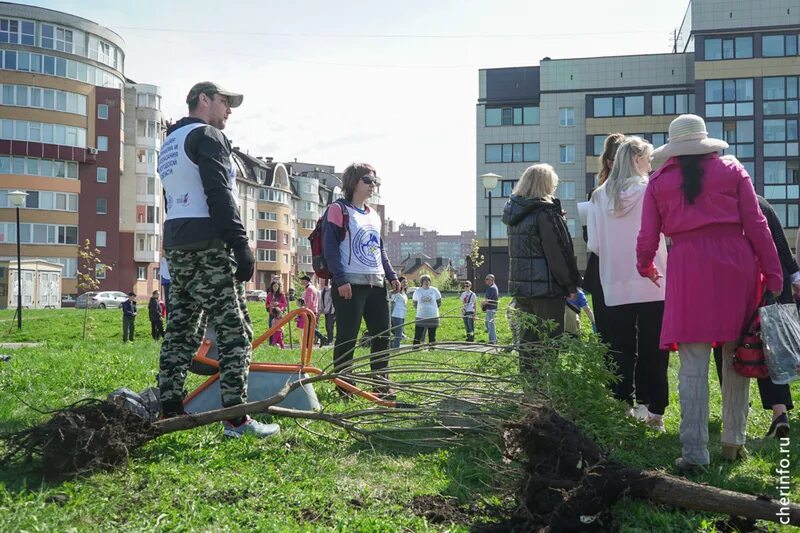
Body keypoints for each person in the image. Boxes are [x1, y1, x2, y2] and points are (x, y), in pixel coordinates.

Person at [636, 114, 782, 469]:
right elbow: (758, 224)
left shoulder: (658, 181)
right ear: (705, 142)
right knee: (739, 356)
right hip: (737, 265)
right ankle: (734, 441)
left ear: (674, 147)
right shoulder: (733, 171)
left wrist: (645, 265)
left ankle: (694, 452)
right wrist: (773, 272)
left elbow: (647, 235)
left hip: (689, 269)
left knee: (692, 365)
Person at [156, 81, 278, 439]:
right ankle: (236, 420)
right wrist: (240, 243)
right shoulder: (208, 135)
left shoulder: (170, 143)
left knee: (180, 330)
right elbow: (219, 191)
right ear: (204, 100)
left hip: (177, 245)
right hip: (210, 245)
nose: (229, 110)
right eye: (225, 102)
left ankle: (170, 410)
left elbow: (171, 197)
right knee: (235, 332)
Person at [587, 136, 670, 431]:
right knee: (654, 349)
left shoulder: (598, 196)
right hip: (653, 279)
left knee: (620, 348)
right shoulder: (651, 190)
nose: (650, 165)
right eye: (648, 159)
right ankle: (654, 412)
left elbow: (594, 245)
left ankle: (622, 404)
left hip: (614, 281)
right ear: (636, 159)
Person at [712, 184, 800, 439]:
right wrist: (793, 278)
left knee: (726, 347)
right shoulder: (761, 202)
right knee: (773, 353)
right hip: (773, 285)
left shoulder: (718, 208)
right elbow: (782, 248)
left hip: (734, 287)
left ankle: (736, 407)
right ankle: (779, 412)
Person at [322, 163, 400, 398]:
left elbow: (379, 248)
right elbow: (330, 247)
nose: (372, 185)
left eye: (375, 181)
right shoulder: (338, 209)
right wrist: (340, 279)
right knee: (347, 337)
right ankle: (345, 388)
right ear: (354, 182)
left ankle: (381, 385)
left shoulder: (374, 215)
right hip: (349, 285)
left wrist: (391, 275)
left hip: (376, 284)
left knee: (381, 336)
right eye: (368, 180)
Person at [502, 163, 581, 374]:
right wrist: (570, 284)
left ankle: (530, 395)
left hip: (522, 290)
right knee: (548, 346)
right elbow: (557, 253)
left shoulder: (515, 215)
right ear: (546, 184)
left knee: (527, 346)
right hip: (547, 290)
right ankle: (546, 397)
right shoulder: (545, 213)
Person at [583, 133, 625, 345]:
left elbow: (589, 239)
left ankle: (612, 375)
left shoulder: (597, 193)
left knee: (609, 333)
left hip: (605, 270)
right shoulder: (598, 194)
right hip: (615, 269)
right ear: (610, 162)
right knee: (623, 332)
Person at [412, 275, 442, 346]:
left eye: (428, 280)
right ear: (422, 282)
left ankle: (432, 349)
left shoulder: (434, 290)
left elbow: (439, 302)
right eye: (425, 280)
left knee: (432, 335)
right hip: (421, 316)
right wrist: (422, 309)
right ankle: (415, 349)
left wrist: (431, 309)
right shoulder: (417, 291)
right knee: (417, 335)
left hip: (433, 316)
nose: (427, 282)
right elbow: (415, 303)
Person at [300, 275, 326, 345]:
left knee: (309, 327)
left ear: (306, 281)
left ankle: (321, 337)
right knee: (309, 327)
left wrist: (305, 309)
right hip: (313, 309)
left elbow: (310, 301)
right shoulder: (312, 287)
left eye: (302, 280)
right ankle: (308, 343)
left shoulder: (309, 289)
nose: (301, 282)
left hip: (310, 310)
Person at [266, 280, 287, 349]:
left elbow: (285, 304)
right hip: (272, 313)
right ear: (272, 287)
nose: (275, 287)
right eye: (274, 286)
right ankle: (271, 343)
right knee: (271, 328)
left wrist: (278, 304)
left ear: (278, 287)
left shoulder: (281, 294)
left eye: (276, 286)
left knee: (279, 328)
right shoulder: (269, 294)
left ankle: (280, 342)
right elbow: (267, 304)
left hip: (279, 314)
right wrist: (270, 305)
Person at [390, 276, 408, 349]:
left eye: (406, 282)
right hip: (396, 315)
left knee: (399, 335)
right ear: (399, 283)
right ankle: (395, 349)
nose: (405, 283)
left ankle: (391, 345)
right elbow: (391, 305)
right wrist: (390, 316)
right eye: (403, 282)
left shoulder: (404, 293)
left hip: (402, 316)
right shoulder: (396, 294)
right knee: (398, 335)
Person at [482, 274, 500, 344]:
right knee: (487, 323)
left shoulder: (492, 288)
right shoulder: (491, 287)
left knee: (490, 324)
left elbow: (488, 300)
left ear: (492, 280)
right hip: (490, 308)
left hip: (491, 308)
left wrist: (483, 304)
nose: (486, 280)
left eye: (487, 279)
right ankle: (494, 338)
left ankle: (492, 340)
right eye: (486, 279)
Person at [318, 278, 336, 347]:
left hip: (331, 311)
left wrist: (326, 309)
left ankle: (330, 340)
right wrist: (321, 309)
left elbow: (331, 302)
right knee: (328, 325)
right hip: (326, 311)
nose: (326, 283)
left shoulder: (331, 290)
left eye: (327, 282)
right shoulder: (323, 291)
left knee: (329, 325)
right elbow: (321, 300)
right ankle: (330, 339)